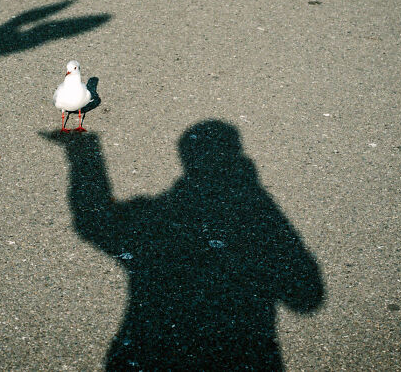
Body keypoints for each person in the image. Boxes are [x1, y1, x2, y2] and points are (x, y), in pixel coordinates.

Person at [42, 120, 324, 370]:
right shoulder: (253, 217)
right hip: (240, 357)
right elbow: (306, 297)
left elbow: (95, 223)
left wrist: (83, 154)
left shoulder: (151, 218)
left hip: (150, 355)